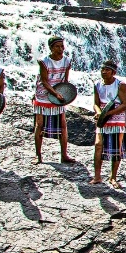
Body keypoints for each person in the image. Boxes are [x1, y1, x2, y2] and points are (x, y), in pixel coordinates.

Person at [32, 35, 76, 164]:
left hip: (58, 95)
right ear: (51, 48)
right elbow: (44, 82)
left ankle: (64, 155)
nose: (60, 49)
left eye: (62, 46)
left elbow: (66, 80)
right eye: (57, 46)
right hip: (43, 96)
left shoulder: (67, 61)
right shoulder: (44, 62)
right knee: (39, 125)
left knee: (63, 126)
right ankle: (38, 156)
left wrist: (66, 94)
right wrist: (55, 93)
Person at [90, 60, 126, 189]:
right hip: (103, 117)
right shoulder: (97, 84)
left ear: (113, 72)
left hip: (117, 117)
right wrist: (99, 112)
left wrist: (109, 113)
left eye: (107, 70)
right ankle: (97, 176)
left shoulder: (120, 85)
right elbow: (96, 103)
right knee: (98, 145)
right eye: (102, 69)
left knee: (116, 148)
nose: (104, 72)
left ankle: (113, 177)